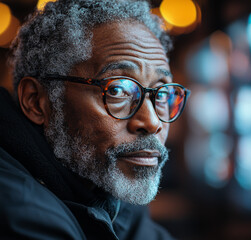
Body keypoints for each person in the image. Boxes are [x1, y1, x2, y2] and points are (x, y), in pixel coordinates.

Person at [0, 0, 190, 239]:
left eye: (161, 93)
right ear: (37, 101)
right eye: (117, 91)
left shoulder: (103, 181)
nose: (153, 123)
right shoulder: (22, 213)